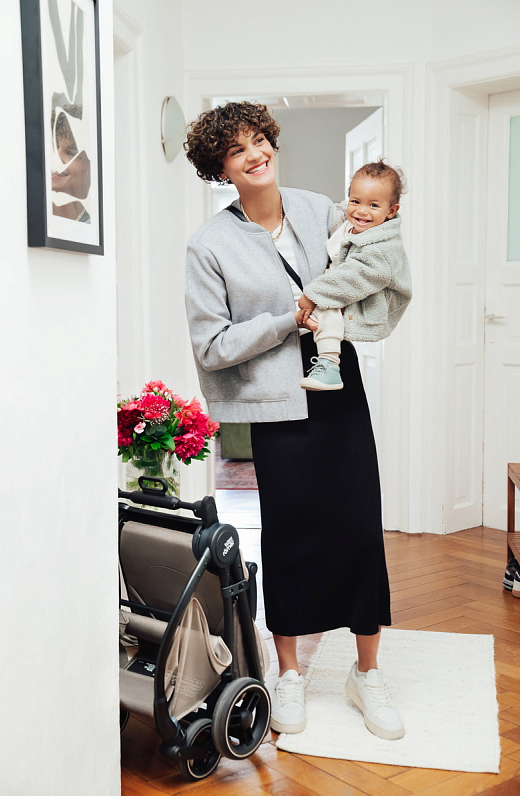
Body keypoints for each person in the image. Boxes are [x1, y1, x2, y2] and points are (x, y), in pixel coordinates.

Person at [184, 101, 404, 740]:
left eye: (259, 140)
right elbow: (212, 345)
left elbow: (373, 254)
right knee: (289, 535)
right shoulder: (209, 245)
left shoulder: (319, 208)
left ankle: (366, 674)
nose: (255, 155)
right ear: (221, 168)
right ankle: (289, 674)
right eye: (237, 150)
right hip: (274, 405)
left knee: (360, 527)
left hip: (338, 388)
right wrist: (290, 317)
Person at [299, 160, 411, 391]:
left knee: (327, 307)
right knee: (326, 306)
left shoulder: (384, 246)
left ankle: (329, 365)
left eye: (373, 205)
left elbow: (356, 276)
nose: (362, 211)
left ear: (391, 211)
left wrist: (314, 294)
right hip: (344, 280)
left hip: (372, 296)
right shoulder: (353, 224)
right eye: (356, 201)